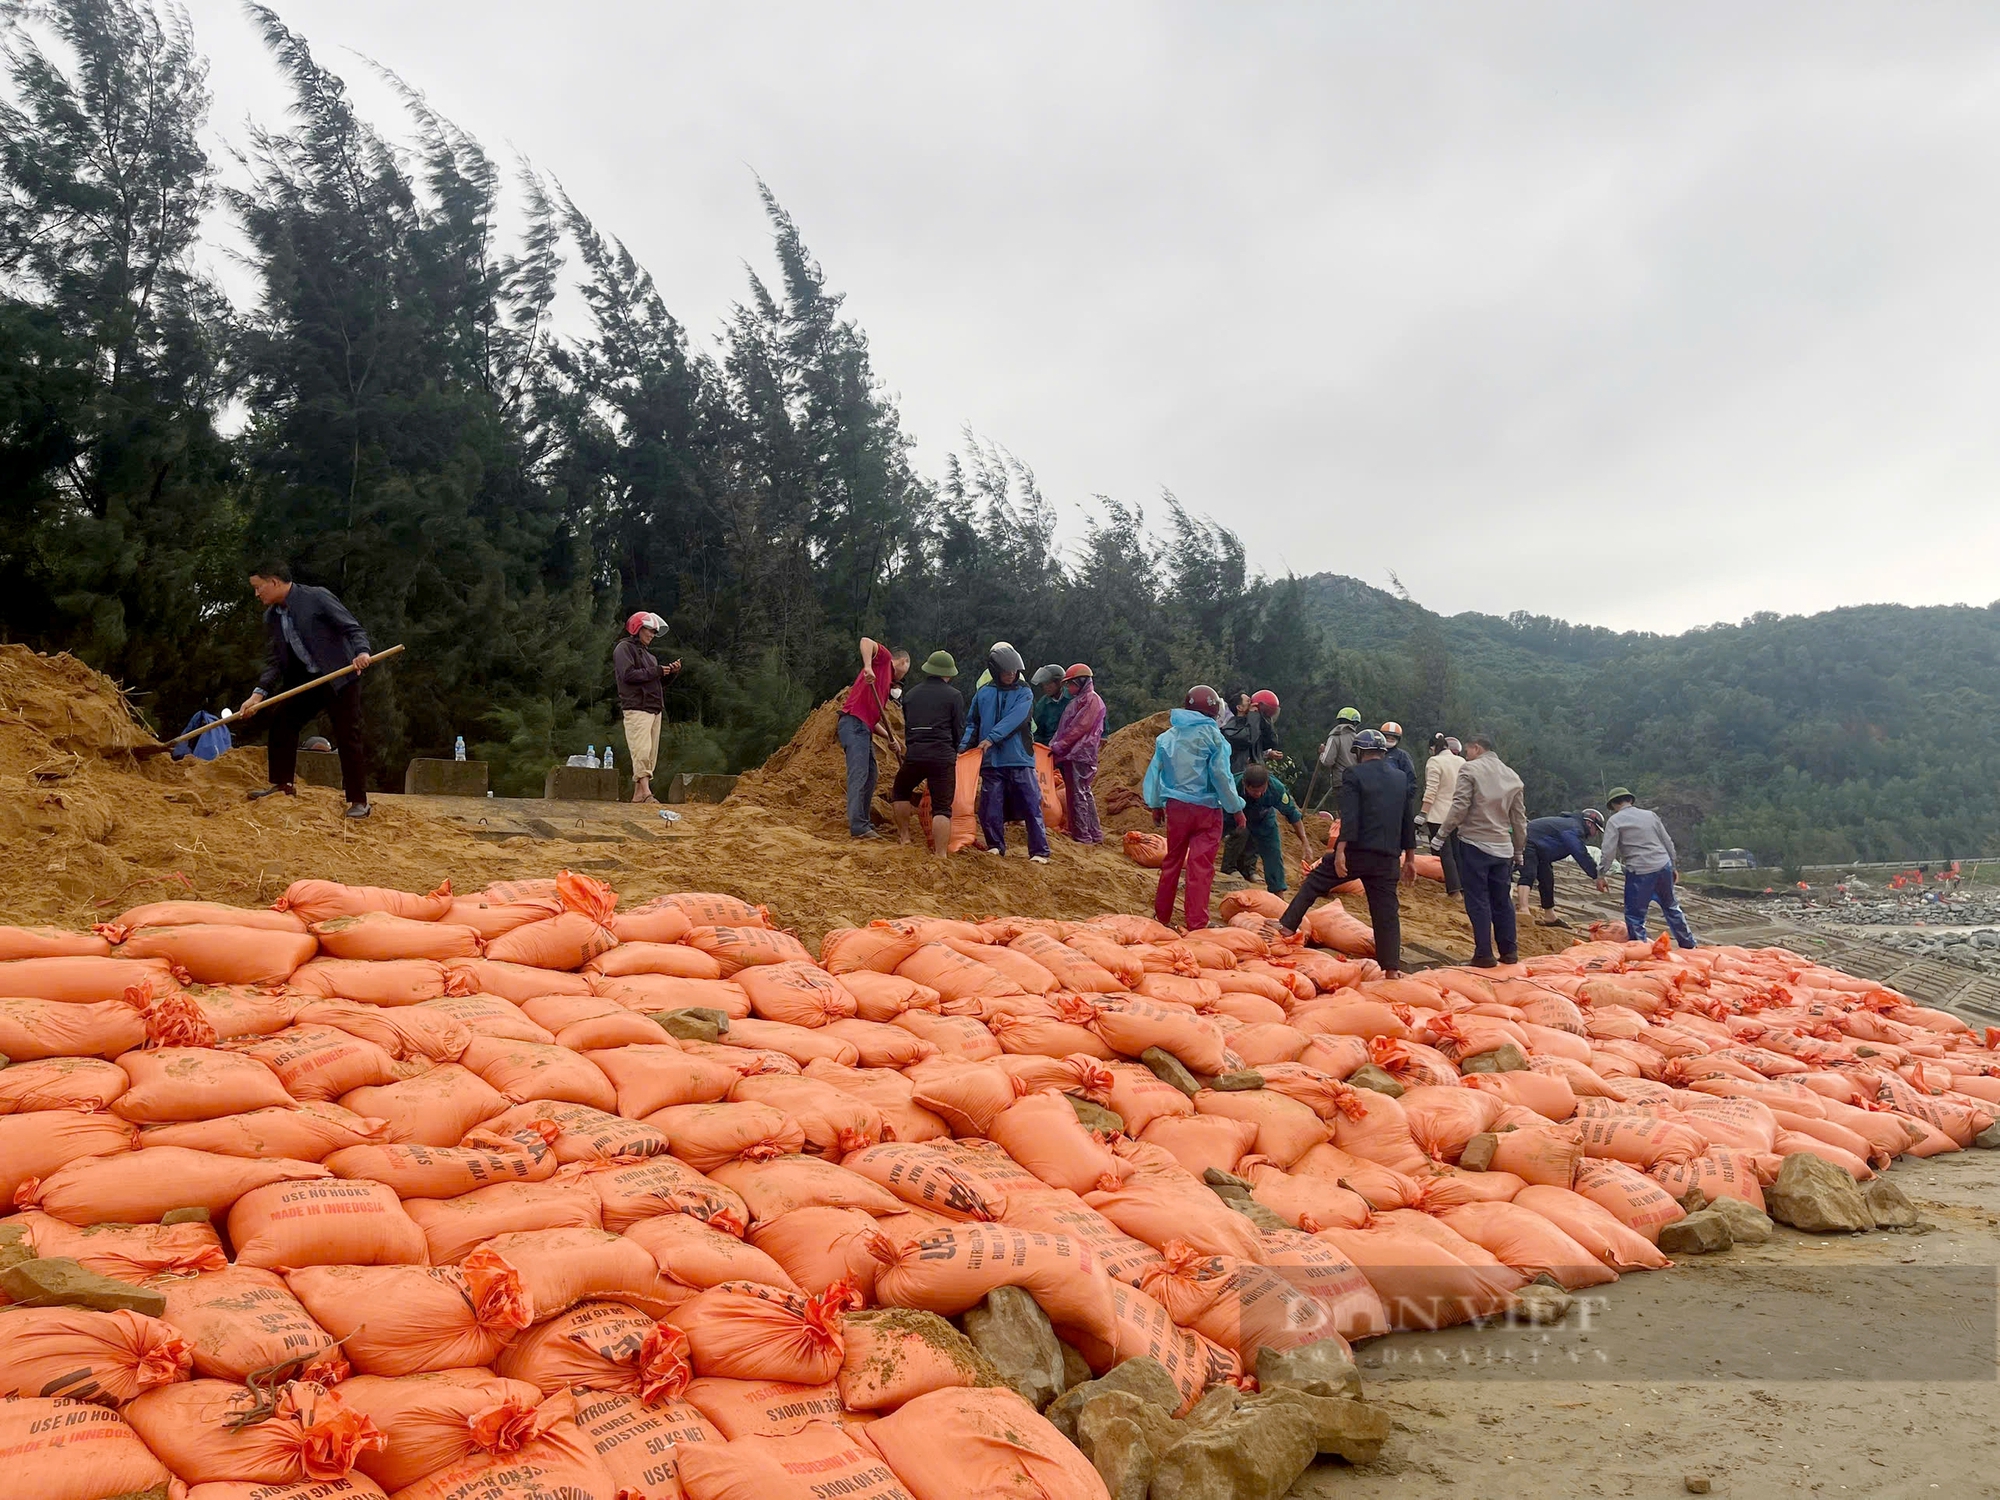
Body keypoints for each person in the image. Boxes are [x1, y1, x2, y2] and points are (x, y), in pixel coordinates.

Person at [240, 562, 375, 819]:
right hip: (306, 681)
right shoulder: (272, 617)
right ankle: (282, 785)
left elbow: (352, 627)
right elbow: (276, 660)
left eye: (258, 588)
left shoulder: (316, 597)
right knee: (282, 721)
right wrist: (258, 694)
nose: (257, 594)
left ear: (275, 582)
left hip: (339, 677)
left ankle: (358, 801)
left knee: (348, 735)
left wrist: (362, 651)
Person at [1280, 728, 1416, 975]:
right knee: (1386, 913)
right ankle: (1392, 970)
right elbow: (1407, 819)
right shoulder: (1400, 778)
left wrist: (1340, 850)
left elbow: (1350, 816)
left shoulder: (1354, 774)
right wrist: (1411, 859)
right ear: (1383, 752)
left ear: (1359, 752)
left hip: (1357, 852)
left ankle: (1287, 927)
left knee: (1314, 882)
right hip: (1388, 858)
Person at [1141, 684, 1246, 931]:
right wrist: (1236, 808)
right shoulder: (1215, 739)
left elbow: (1154, 774)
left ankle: (1162, 917)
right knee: (1200, 867)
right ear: (1213, 710)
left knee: (1172, 861)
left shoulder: (1166, 738)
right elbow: (1222, 776)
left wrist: (1156, 804)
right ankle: (1197, 922)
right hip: (1207, 810)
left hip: (1176, 808)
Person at [1438, 733, 1528, 968]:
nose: (1466, 755)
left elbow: (1459, 806)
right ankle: (1509, 952)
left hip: (1475, 844)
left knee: (1478, 900)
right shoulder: (1513, 776)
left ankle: (1484, 954)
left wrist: (1441, 834)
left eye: (1468, 750)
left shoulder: (1470, 770)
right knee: (1502, 900)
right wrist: (1519, 850)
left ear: (1476, 748)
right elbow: (1519, 820)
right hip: (1503, 849)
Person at [961, 643, 1049, 862]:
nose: (1011, 674)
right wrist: (962, 749)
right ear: (994, 670)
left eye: (1014, 671)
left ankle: (1039, 851)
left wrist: (991, 738)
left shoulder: (1025, 692)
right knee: (990, 806)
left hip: (1019, 759)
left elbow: (1016, 719)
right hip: (992, 762)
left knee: (1031, 805)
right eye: (1006, 671)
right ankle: (995, 845)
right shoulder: (983, 693)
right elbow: (973, 723)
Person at [1596, 787, 1697, 947]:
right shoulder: (1650, 816)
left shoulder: (1615, 821)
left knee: (1635, 916)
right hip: (1663, 866)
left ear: (1614, 804)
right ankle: (1689, 945)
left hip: (1640, 872)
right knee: (1671, 907)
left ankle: (1640, 950)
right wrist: (1673, 866)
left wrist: (1601, 874)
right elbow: (1667, 841)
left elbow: (1609, 851)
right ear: (1630, 800)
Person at [891, 651, 965, 859]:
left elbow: (907, 726)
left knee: (900, 791)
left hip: (916, 754)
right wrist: (953, 750)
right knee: (942, 808)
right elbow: (958, 729)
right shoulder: (955, 696)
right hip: (942, 757)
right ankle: (941, 854)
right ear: (948, 674)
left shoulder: (912, 695)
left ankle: (904, 837)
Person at [837, 637, 910, 839]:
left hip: (864, 728)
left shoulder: (885, 686)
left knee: (871, 774)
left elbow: (873, 719)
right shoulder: (884, 661)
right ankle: (858, 826)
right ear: (903, 661)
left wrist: (890, 737)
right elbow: (866, 641)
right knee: (859, 774)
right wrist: (868, 666)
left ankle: (863, 821)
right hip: (852, 724)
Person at [614, 611, 682, 804]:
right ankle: (646, 791)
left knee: (650, 753)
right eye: (650, 630)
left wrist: (670, 673)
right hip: (636, 706)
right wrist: (657, 671)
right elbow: (628, 675)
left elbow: (655, 683)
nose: (652, 634)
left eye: (654, 631)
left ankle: (638, 795)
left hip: (653, 707)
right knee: (641, 749)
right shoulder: (623, 648)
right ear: (638, 628)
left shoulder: (650, 656)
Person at [1047, 663, 1106, 844]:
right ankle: (1089, 832)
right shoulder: (1078, 702)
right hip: (1072, 754)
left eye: (1071, 683)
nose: (1068, 688)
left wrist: (1060, 745)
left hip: (1080, 754)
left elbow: (1078, 728)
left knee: (1079, 794)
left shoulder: (1091, 701)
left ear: (1081, 682)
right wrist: (1053, 745)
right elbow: (1064, 728)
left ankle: (1084, 835)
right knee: (1080, 792)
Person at [1518, 808, 1605, 925]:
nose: (1596, 834)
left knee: (1547, 879)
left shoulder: (1573, 826)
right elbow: (1580, 853)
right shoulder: (1573, 828)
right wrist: (1597, 876)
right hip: (1528, 841)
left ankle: (1550, 915)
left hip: (1540, 849)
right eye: (1596, 829)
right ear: (1589, 823)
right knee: (1529, 874)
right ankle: (1523, 909)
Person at [1234, 762, 1305, 894]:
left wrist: (1305, 842)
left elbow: (1293, 816)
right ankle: (1229, 869)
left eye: (1262, 790)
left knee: (1273, 853)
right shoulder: (1232, 786)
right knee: (1220, 840)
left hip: (1264, 819)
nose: (1259, 794)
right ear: (1245, 784)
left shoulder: (1276, 788)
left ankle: (1277, 892)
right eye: (1255, 791)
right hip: (1234, 815)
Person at [1420, 732, 1465, 896]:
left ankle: (1453, 891)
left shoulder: (1434, 762)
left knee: (1445, 854)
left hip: (1439, 815)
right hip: (1459, 815)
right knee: (1458, 853)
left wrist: (1422, 813)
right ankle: (1463, 888)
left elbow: (1432, 790)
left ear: (1433, 748)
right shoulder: (1461, 761)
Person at [1315, 706, 1363, 808]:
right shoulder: (1359, 739)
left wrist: (1322, 753)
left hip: (1341, 782)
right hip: (1358, 782)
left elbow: (1328, 761)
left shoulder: (1335, 736)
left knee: (1344, 814)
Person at [1030, 665, 1068, 746]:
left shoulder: (1072, 699)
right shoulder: (1042, 704)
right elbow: (1037, 731)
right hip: (1050, 747)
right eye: (1044, 684)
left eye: (1049, 684)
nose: (1046, 687)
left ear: (1060, 683)